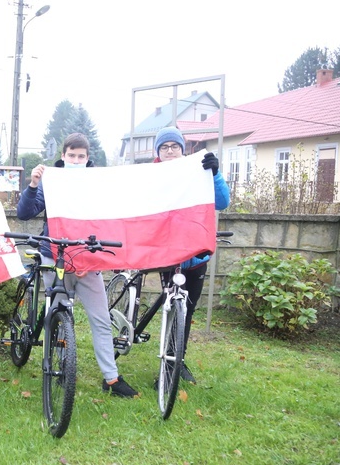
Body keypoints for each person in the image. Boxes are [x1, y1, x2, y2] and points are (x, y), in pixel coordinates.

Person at [17, 132, 139, 398]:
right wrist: (34, 185)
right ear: (63, 156)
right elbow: (24, 212)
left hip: (87, 258)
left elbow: (107, 218)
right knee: (58, 315)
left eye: (80, 156)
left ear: (87, 158)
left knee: (101, 319)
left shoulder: (97, 183)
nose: (75, 159)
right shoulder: (51, 181)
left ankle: (111, 378)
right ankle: (60, 365)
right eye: (71, 155)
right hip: (54, 256)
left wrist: (92, 258)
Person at [153, 126, 230, 384]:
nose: (170, 151)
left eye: (174, 146)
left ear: (182, 150)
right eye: (165, 147)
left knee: (186, 310)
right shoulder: (150, 174)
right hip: (167, 254)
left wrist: (215, 174)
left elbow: (222, 202)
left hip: (196, 255)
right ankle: (166, 362)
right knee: (171, 309)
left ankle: (178, 361)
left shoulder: (197, 169)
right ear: (158, 152)